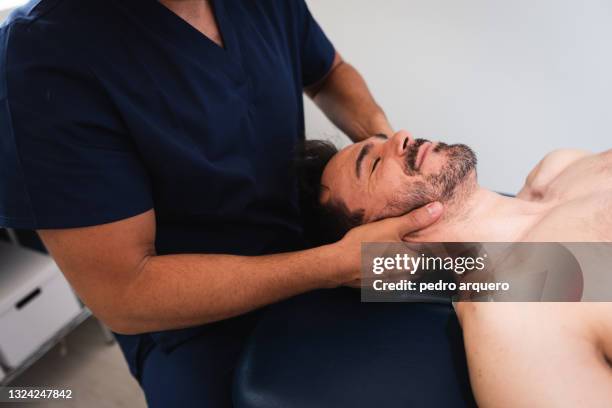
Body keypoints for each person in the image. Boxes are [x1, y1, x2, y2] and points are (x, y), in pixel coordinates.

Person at [0, 1, 451, 406]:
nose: (410, 143)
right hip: (198, 326)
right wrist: (331, 265)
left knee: (506, 275)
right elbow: (124, 294)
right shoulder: (46, 55)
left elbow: (328, 71)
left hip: (323, 251)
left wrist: (384, 142)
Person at [297, 129, 612, 406]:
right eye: (374, 164)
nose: (400, 135)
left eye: (384, 140)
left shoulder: (560, 166)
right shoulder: (512, 323)